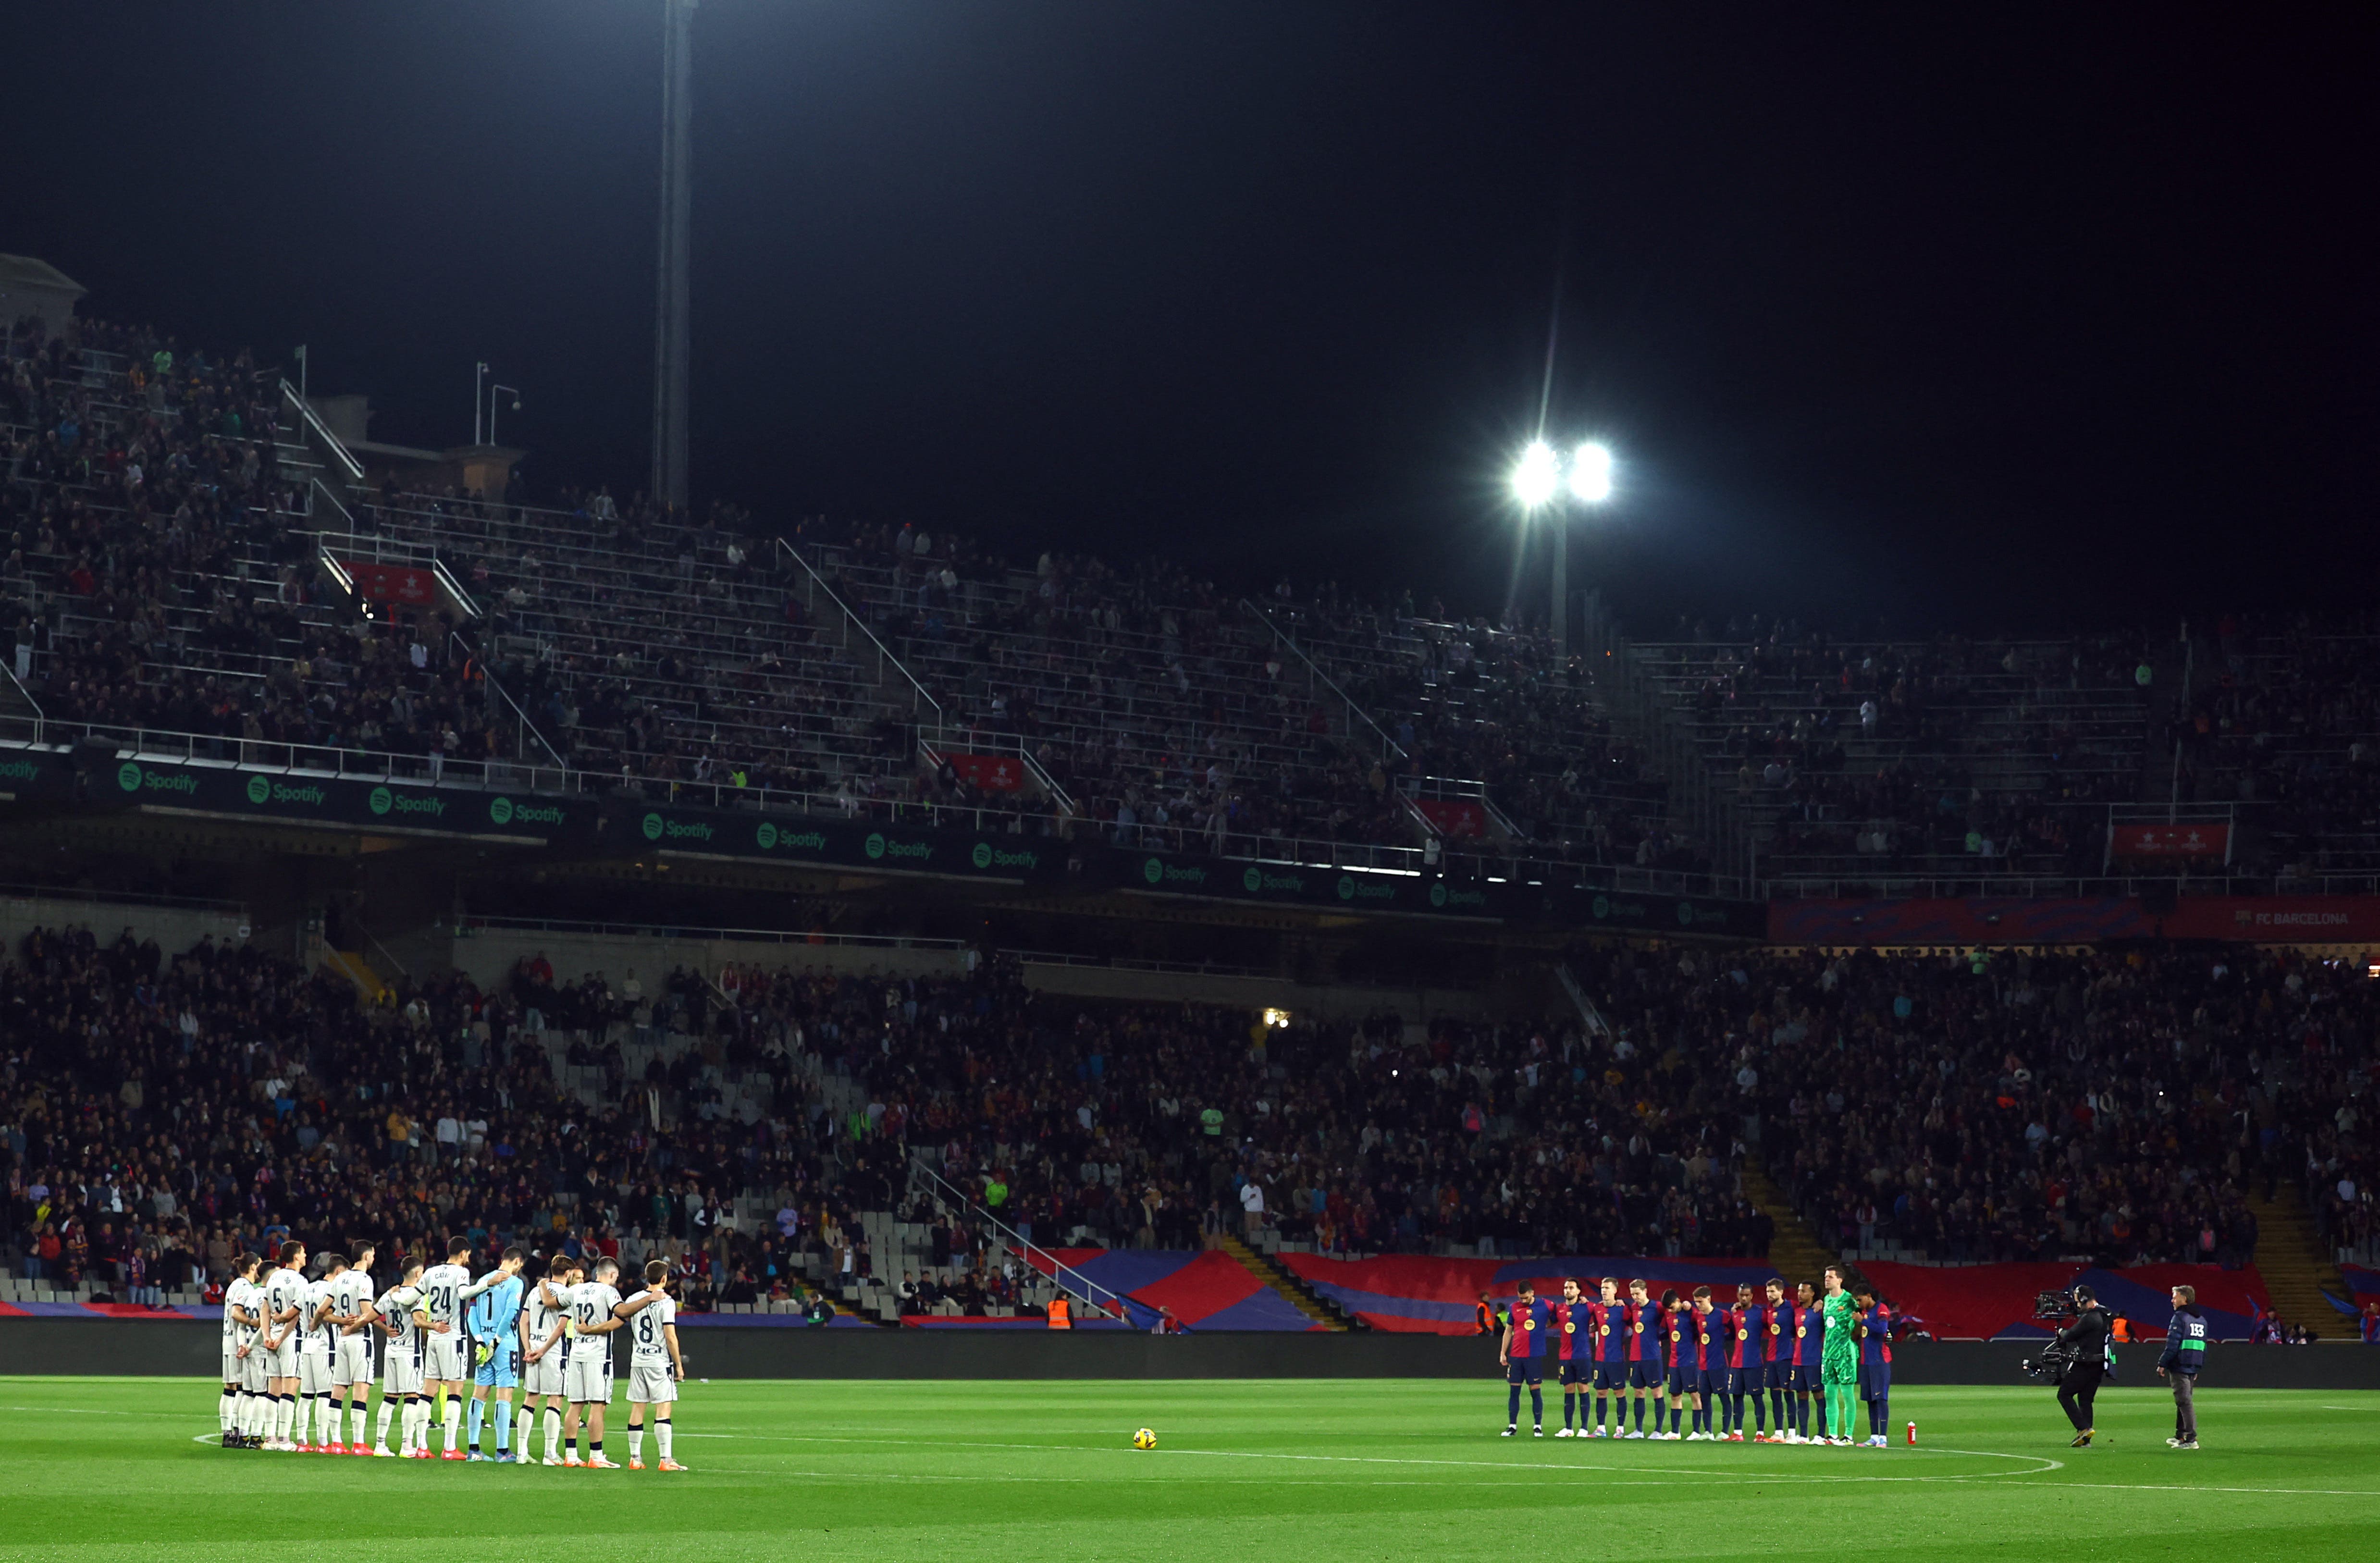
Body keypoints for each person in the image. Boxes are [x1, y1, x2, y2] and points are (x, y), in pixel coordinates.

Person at [615, 1258, 690, 1470]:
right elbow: (670, 1336)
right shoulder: (666, 1302)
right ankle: (666, 1460)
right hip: (658, 1360)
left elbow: (626, 1318)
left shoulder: (635, 1298)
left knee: (638, 1406)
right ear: (664, 1278)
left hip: (638, 1360)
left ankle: (635, 1458)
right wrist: (679, 1365)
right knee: (663, 1407)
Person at [564, 1255, 627, 1467]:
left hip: (577, 1352)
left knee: (575, 1405)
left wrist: (544, 1285)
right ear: (610, 1274)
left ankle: (571, 1455)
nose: (616, 1280)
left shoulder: (576, 1290)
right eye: (616, 1276)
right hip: (598, 1355)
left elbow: (554, 1302)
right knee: (598, 1405)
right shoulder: (609, 1292)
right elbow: (618, 1319)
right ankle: (596, 1456)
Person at [466, 1247, 527, 1461]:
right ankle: (503, 1451)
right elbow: (511, 1312)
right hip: (504, 1344)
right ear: (517, 1262)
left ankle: (474, 1450)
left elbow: (471, 1315)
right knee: (505, 1396)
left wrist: (481, 1341)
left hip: (483, 1344)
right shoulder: (515, 1283)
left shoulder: (484, 1280)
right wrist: (496, 1342)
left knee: (479, 1394)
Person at [521, 1254, 576, 1465]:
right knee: (555, 1400)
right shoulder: (568, 1294)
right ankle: (550, 1453)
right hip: (552, 1351)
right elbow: (561, 1326)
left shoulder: (536, 1291)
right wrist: (543, 1350)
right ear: (569, 1273)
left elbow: (523, 1321)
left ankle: (522, 1452)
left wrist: (528, 1349)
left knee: (530, 1398)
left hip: (533, 1347)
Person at [326, 1241, 380, 1456]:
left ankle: (336, 1442)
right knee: (361, 1389)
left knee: (339, 1389)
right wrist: (354, 1326)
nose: (374, 1259)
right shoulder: (365, 1280)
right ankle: (359, 1443)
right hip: (359, 1339)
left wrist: (343, 1323)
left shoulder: (340, 1278)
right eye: (373, 1255)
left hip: (342, 1340)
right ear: (366, 1256)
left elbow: (323, 1312)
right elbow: (367, 1314)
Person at [372, 1258, 428, 1457]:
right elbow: (418, 1322)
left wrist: (385, 1328)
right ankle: (407, 1445)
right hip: (409, 1353)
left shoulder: (389, 1295)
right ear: (418, 1275)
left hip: (391, 1351)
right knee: (412, 1397)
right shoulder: (417, 1297)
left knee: (389, 1399)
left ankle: (380, 1445)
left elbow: (371, 1316)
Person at [261, 1241, 310, 1452]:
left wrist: (266, 1336)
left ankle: (269, 1438)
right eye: (304, 1252)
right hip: (291, 1339)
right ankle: (284, 1439)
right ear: (297, 1256)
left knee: (274, 1390)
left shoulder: (273, 1278)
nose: (306, 1255)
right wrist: (281, 1338)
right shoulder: (301, 1281)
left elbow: (265, 1309)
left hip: (271, 1337)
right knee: (290, 1390)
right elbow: (296, 1313)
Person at [2052, 1284, 2114, 1447]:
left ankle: (2083, 1428)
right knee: (2085, 1399)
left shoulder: (2091, 1318)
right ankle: (2085, 1438)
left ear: (2085, 1300)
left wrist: (2060, 1332)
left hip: (2086, 1363)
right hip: (2100, 1364)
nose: (2077, 1305)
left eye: (2078, 1301)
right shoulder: (2105, 1314)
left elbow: (2070, 1335)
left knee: (2064, 1394)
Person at [294, 1252, 339, 1451]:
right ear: (338, 1271)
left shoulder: (308, 1288)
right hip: (324, 1345)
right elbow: (326, 1315)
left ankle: (302, 1441)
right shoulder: (333, 1290)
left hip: (307, 1345)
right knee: (325, 1394)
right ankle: (323, 1441)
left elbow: (295, 1313)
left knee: (305, 1396)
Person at [222, 1253, 266, 1449]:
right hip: (238, 1342)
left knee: (231, 1388)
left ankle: (230, 1434)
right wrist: (253, 1322)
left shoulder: (234, 1285)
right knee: (241, 1389)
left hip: (228, 1339)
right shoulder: (244, 1287)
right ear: (254, 1267)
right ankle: (239, 1433)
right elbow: (236, 1312)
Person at [2158, 1283, 2208, 1450]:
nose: (2172, 1300)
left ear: (2184, 1299)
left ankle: (2191, 1439)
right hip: (2192, 1364)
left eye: (2175, 1296)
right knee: (2184, 1400)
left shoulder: (2179, 1318)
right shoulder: (2201, 1320)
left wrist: (2162, 1363)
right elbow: (2203, 1345)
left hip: (2180, 1365)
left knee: (2184, 1401)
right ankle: (2180, 1435)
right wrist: (2197, 1366)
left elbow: (2173, 1344)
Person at [1497, 1279, 1551, 1437]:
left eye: (1526, 1298)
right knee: (1514, 1391)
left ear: (1533, 1293)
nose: (1523, 1301)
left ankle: (1538, 1427)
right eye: (1521, 1298)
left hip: (1534, 1356)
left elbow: (1562, 1311)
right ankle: (1512, 1426)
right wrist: (1503, 1352)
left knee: (1535, 1391)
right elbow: (1508, 1331)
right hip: (1516, 1356)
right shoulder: (1514, 1308)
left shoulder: (1545, 1305)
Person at [1622, 1278, 1668, 1439]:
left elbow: (1672, 1319)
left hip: (1652, 1356)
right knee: (1638, 1392)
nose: (1635, 1297)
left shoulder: (1657, 1307)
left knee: (1657, 1392)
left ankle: (1658, 1431)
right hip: (1636, 1356)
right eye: (1633, 1294)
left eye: (1638, 1293)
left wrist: (1660, 1337)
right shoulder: (1633, 1308)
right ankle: (1639, 1431)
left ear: (1646, 1291)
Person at [1820, 1265, 1860, 1446]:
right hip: (1828, 1352)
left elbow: (1861, 1319)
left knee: (1847, 1394)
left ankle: (1849, 1436)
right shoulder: (1826, 1300)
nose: (1827, 1279)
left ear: (1840, 1280)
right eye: (1826, 1276)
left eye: (1830, 1277)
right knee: (1829, 1394)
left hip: (1845, 1353)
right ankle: (1833, 1435)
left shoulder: (1850, 1300)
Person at [1853, 1282, 1894, 1447]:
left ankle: (1883, 1437)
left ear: (1869, 1296)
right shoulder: (1865, 1312)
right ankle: (1874, 1436)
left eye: (1860, 1299)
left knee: (1881, 1398)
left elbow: (1883, 1330)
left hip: (1879, 1360)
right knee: (1870, 1399)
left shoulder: (1881, 1308)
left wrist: (1863, 1321)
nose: (1858, 1303)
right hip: (1866, 1361)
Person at [1588, 1277, 1628, 1438]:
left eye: (1607, 1288)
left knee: (1620, 1393)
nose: (1604, 1291)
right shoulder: (1597, 1308)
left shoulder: (1624, 1309)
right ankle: (1601, 1428)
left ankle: (1620, 1429)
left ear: (1615, 1290)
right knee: (1601, 1393)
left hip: (1616, 1358)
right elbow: (1596, 1324)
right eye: (1602, 1288)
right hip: (1600, 1358)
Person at [1756, 1279, 1792, 1442]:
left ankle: (1792, 1433)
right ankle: (1779, 1432)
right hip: (1771, 1358)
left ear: (1781, 1292)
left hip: (1787, 1357)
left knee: (1789, 1394)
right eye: (1768, 1291)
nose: (1769, 1295)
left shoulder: (1791, 1308)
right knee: (1775, 1396)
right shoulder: (1768, 1310)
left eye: (1772, 1291)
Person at [1789, 1280, 1825, 1443]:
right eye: (1799, 1291)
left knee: (1819, 1395)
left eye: (1803, 1291)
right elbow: (1793, 1335)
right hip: (1798, 1361)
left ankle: (1821, 1434)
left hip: (1815, 1360)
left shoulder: (1820, 1311)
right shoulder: (1795, 1311)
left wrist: (1823, 1302)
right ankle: (1803, 1435)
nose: (1800, 1294)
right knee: (1801, 1395)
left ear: (1812, 1294)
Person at [1686, 1287, 1724, 1440]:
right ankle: (1708, 1431)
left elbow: (1734, 1330)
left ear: (1709, 1299)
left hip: (1719, 1364)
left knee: (1724, 1397)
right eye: (1696, 1302)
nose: (1698, 1305)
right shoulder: (1698, 1317)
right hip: (1703, 1365)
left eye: (1700, 1302)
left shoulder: (1722, 1315)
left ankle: (1726, 1431)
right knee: (1705, 1398)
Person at [1551, 1278, 1588, 1436]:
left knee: (1584, 1389)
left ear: (1579, 1291)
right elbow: (1547, 1322)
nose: (1568, 1290)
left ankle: (1584, 1428)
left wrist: (1590, 1329)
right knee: (1568, 1390)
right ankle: (1568, 1428)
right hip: (1565, 1356)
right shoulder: (1559, 1309)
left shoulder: (1588, 1307)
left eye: (1571, 1288)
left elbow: (1603, 1317)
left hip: (1582, 1355)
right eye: (1566, 1287)